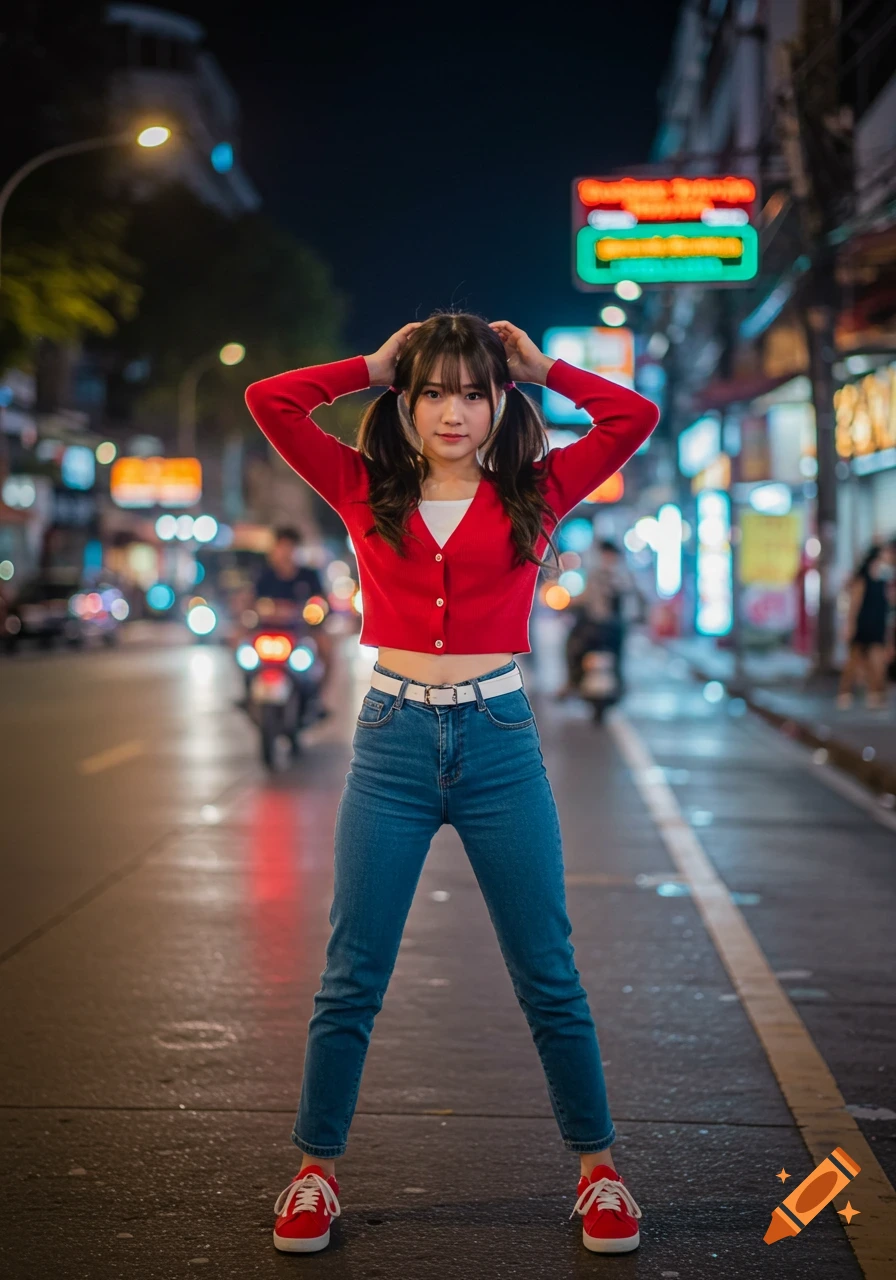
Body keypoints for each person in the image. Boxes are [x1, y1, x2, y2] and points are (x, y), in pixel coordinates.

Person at [245, 312, 658, 1256]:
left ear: (501, 400)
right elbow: (268, 401)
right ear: (405, 400)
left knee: (547, 972)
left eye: (475, 391)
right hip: (390, 744)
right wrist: (370, 363)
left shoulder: (538, 490)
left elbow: (633, 418)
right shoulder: (362, 487)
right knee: (351, 975)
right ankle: (315, 1173)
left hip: (498, 741)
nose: (454, 411)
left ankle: (600, 1176)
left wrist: (545, 365)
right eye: (433, 390)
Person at [247, 526, 334, 710]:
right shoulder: (264, 575)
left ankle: (316, 698)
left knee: (326, 649)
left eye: (289, 547)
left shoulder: (308, 576)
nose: (285, 552)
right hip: (268, 631)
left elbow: (321, 602)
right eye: (281, 547)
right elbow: (252, 603)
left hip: (301, 631)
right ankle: (247, 693)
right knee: (242, 649)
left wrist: (311, 612)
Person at [558, 538, 638, 700]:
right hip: (616, 630)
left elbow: (584, 599)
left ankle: (572, 682)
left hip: (595, 629)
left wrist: (568, 604)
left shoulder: (596, 574)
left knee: (572, 647)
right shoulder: (626, 575)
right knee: (619, 658)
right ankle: (620, 684)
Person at [836, 542, 895, 710]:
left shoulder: (886, 580)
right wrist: (849, 625)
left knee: (877, 661)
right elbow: (854, 605)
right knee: (853, 662)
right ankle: (845, 693)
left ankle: (875, 694)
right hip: (862, 624)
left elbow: (888, 607)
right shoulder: (863, 580)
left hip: (878, 626)